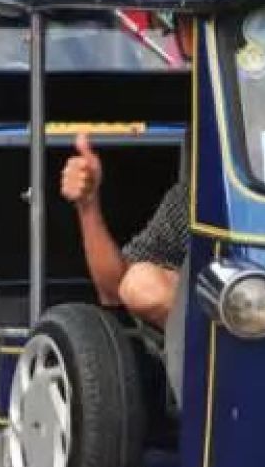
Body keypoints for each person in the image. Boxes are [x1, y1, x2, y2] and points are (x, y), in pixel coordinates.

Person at [62, 134, 186, 330]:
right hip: (219, 337)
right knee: (141, 283)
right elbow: (117, 290)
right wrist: (88, 204)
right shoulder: (192, 200)